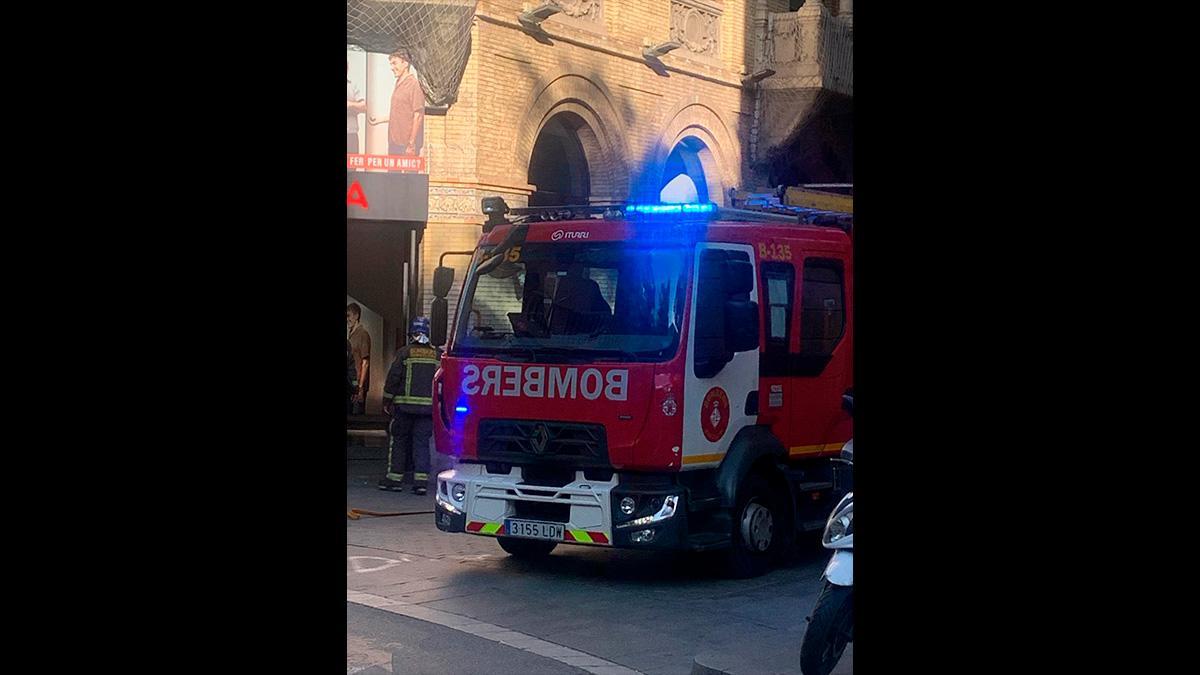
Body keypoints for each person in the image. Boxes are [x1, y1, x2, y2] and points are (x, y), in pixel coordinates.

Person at [380, 316, 441, 494]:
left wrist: (386, 400)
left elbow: (393, 378)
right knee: (421, 444)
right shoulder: (438, 355)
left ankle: (394, 480)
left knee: (399, 442)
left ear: (412, 334)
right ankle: (421, 483)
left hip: (404, 409)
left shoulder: (404, 353)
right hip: (428, 410)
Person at [368, 52, 425, 157]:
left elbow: (418, 115)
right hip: (394, 143)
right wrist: (379, 120)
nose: (392, 67)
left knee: (408, 174)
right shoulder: (398, 83)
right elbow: (400, 114)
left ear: (405, 63)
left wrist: (411, 143)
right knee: (392, 173)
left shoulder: (414, 84)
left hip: (406, 145)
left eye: (395, 63)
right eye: (391, 64)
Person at [347, 303, 372, 415]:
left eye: (349, 315)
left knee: (357, 419)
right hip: (351, 384)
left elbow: (365, 362)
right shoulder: (351, 335)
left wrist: (360, 387)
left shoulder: (362, 334)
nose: (347, 319)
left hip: (357, 385)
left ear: (356, 316)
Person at [347, 60, 366, 154]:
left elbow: (364, 107)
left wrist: (350, 104)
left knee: (352, 167)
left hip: (351, 134)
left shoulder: (353, 85)